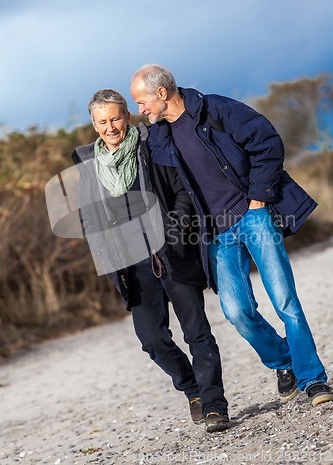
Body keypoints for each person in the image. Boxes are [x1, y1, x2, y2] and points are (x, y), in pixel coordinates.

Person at [130, 64, 333, 407]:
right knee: (237, 311)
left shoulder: (215, 109)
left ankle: (313, 379)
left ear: (161, 93)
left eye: (142, 101)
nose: (141, 110)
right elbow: (131, 159)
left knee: (285, 301)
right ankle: (284, 361)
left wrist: (258, 197)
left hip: (254, 217)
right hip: (216, 235)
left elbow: (266, 141)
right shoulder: (158, 137)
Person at [71, 88, 229, 433]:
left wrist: (172, 233)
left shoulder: (152, 147)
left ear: (127, 116)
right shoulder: (89, 167)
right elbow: (89, 219)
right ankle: (192, 390)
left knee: (197, 331)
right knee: (151, 339)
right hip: (132, 267)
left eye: (115, 118)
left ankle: (215, 404)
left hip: (171, 253)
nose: (110, 127)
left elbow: (183, 193)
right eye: (102, 121)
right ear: (94, 125)